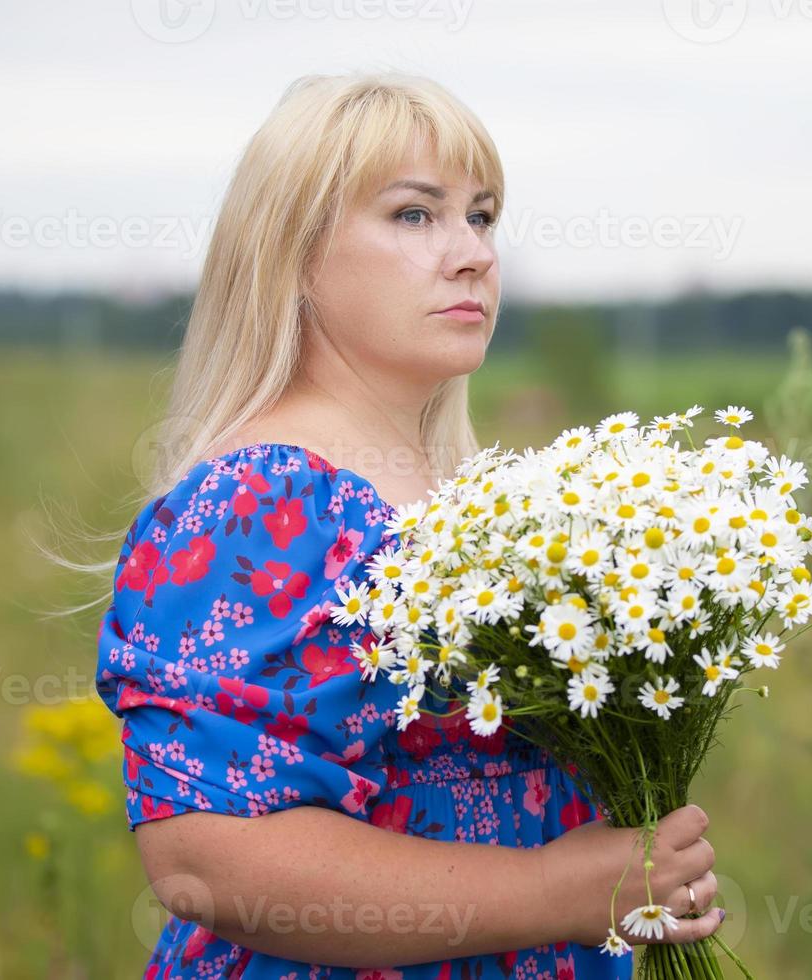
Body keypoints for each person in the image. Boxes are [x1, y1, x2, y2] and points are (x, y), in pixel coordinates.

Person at [94, 71, 725, 978]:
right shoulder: (258, 502)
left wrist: (634, 875)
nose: (473, 253)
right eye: (415, 215)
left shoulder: (470, 503)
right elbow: (209, 861)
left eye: (483, 216)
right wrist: (566, 894)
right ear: (294, 254)